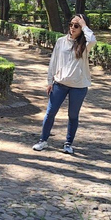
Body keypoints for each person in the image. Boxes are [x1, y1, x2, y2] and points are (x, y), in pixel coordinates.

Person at [33, 14, 96, 155]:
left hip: (78, 86)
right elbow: (53, 62)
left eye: (76, 25)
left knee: (73, 115)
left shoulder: (85, 44)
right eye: (71, 24)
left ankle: (68, 143)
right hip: (59, 84)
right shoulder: (61, 41)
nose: (72, 28)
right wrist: (50, 81)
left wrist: (84, 25)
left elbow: (92, 38)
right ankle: (43, 140)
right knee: (50, 113)